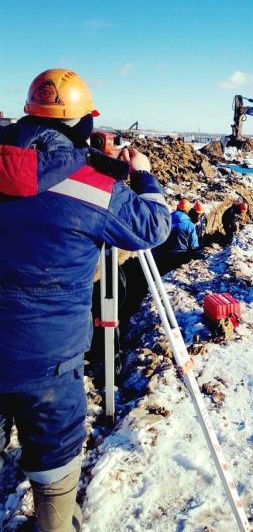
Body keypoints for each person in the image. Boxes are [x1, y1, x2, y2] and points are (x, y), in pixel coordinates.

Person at [0, 68, 171, 532]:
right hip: (48, 363)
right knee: (54, 462)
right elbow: (152, 228)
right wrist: (142, 177)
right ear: (81, 125)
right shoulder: (94, 187)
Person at [166, 199, 199, 269]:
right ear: (187, 211)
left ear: (177, 207)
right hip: (182, 256)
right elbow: (194, 244)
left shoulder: (166, 220)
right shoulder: (190, 225)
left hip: (166, 255)